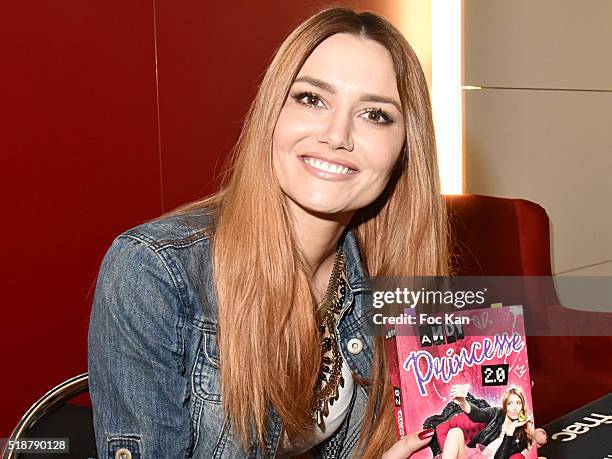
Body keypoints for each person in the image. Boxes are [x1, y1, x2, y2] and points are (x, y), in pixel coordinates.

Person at [88, 6, 448, 458]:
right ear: (270, 114)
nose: (337, 135)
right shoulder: (154, 273)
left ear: (405, 149)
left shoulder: (394, 279)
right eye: (312, 99)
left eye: (375, 114)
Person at [441, 386, 534, 459]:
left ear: (522, 406)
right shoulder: (497, 412)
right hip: (471, 455)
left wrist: (510, 432)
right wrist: (463, 402)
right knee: (455, 432)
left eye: (518, 403)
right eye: (510, 403)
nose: (514, 408)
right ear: (505, 405)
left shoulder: (522, 438)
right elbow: (478, 414)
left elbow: (500, 457)